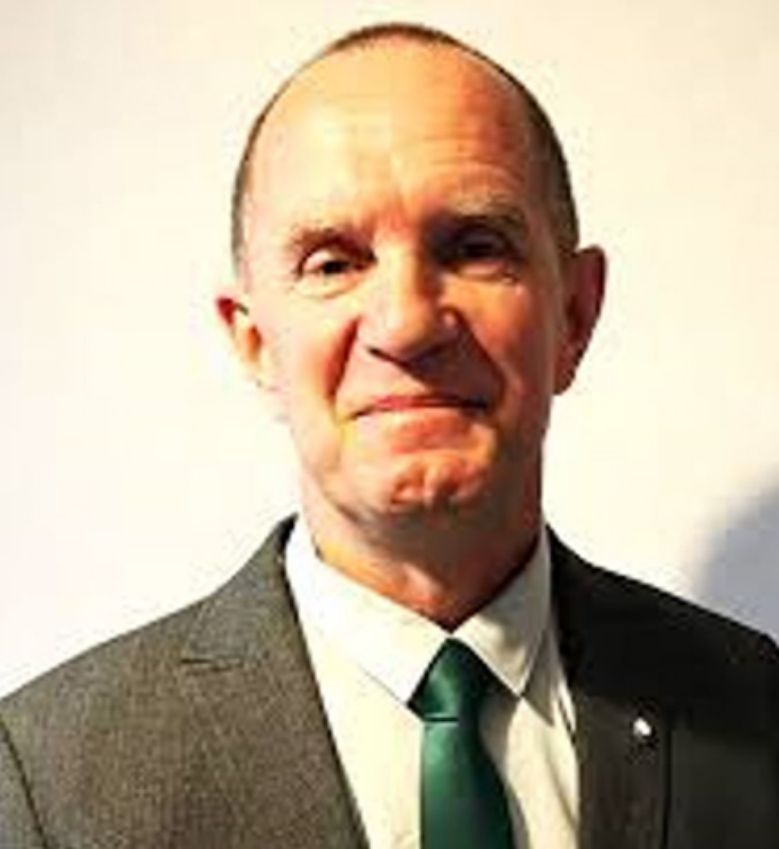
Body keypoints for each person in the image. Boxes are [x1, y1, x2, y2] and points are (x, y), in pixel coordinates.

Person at [1, 22, 777, 849]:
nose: (405, 324)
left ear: (574, 314)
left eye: (474, 247)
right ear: (254, 342)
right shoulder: (47, 780)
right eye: (332, 262)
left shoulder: (757, 711)